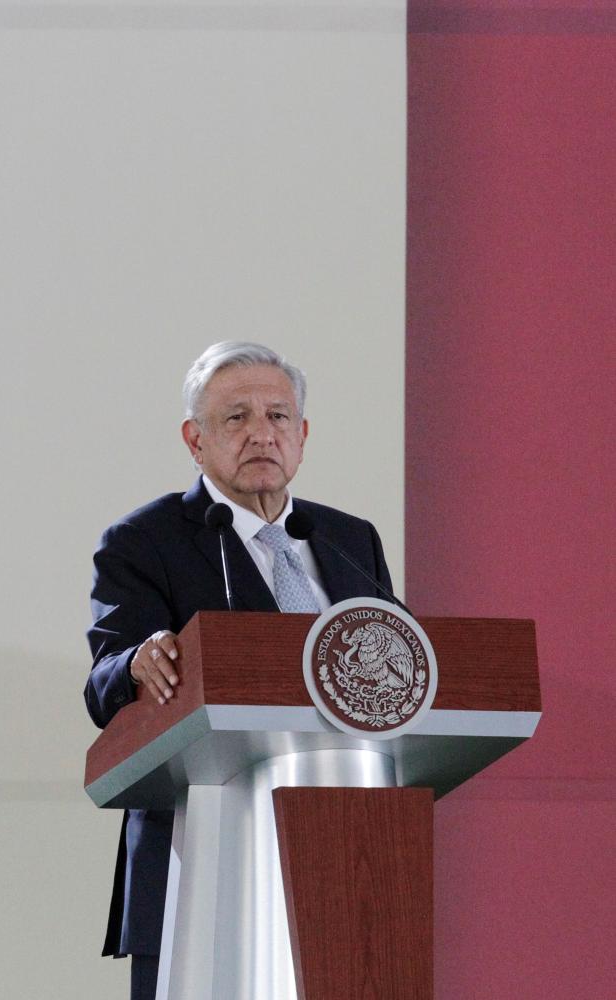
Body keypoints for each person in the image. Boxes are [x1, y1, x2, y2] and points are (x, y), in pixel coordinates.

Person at [83, 341, 394, 1000]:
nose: (262, 433)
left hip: (347, 861)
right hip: (201, 856)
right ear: (195, 441)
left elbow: (394, 682)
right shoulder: (145, 541)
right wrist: (136, 664)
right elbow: (106, 681)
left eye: (279, 417)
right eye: (236, 418)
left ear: (303, 437)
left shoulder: (349, 541)